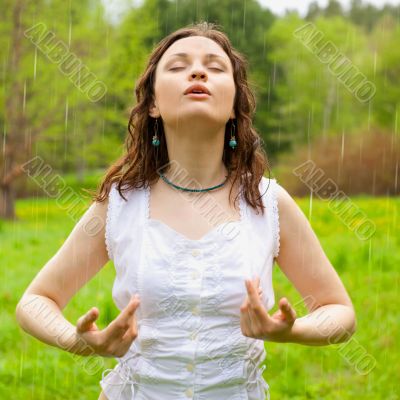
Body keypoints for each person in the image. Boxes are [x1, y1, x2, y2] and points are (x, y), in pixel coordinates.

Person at [15, 21, 357, 400]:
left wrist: (290, 332)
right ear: (154, 105)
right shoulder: (121, 203)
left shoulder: (268, 203)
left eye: (215, 66)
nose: (197, 71)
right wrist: (79, 341)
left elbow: (339, 312)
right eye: (178, 66)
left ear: (233, 107)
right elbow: (34, 302)